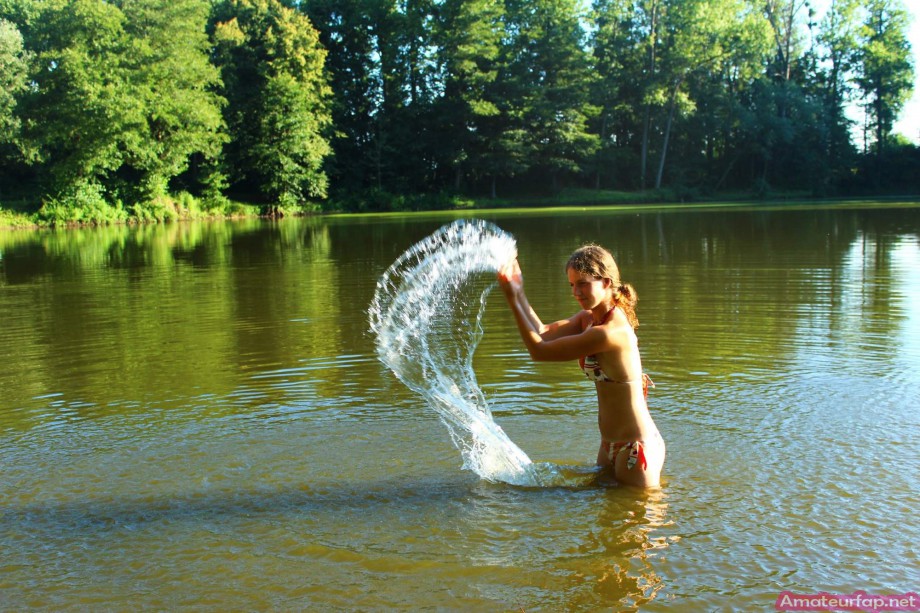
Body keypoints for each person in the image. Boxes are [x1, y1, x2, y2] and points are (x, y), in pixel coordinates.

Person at [497, 244, 665, 487]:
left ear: (606, 282)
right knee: (606, 522)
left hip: (635, 450)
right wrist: (519, 289)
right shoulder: (589, 318)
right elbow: (543, 334)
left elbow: (538, 351)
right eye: (572, 284)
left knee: (639, 521)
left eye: (583, 283)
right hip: (609, 445)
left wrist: (512, 298)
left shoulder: (610, 332)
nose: (576, 292)